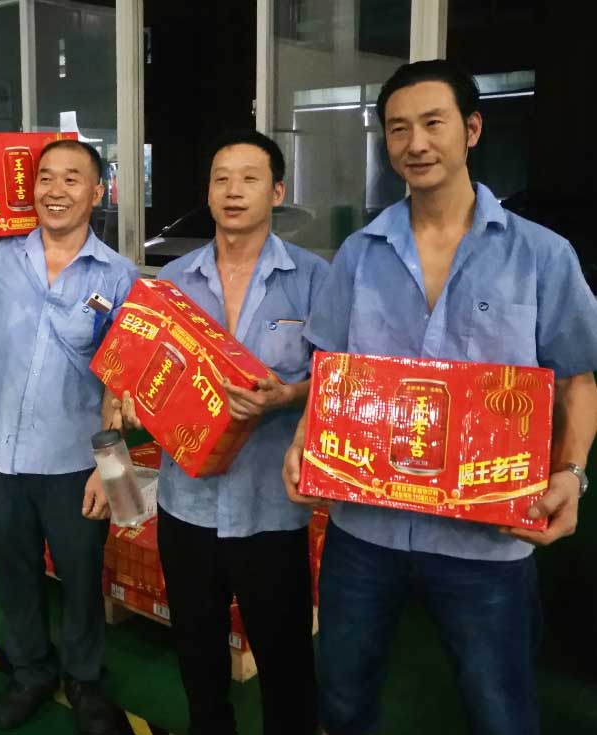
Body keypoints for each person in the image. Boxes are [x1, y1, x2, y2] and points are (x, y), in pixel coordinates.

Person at [282, 60, 597, 735]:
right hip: (365, 533)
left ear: (472, 129)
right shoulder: (359, 254)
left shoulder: (542, 255)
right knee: (344, 697)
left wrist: (571, 474)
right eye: (399, 129)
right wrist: (306, 440)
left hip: (488, 540)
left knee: (500, 711)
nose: (416, 143)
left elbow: (576, 378)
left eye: (433, 123)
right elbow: (331, 366)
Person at [0, 139, 137, 735]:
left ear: (97, 191)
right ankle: (31, 671)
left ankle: (85, 680)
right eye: (45, 178)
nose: (55, 191)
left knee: (81, 576)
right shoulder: (1, 254)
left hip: (72, 463)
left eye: (72, 179)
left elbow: (119, 379)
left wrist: (108, 468)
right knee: (14, 570)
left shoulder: (117, 276)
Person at [115, 131, 326, 735]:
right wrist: (132, 400)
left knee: (285, 657)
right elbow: (139, 370)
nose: (234, 191)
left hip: (271, 508)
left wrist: (287, 396)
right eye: (221, 179)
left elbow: (336, 379)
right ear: (208, 193)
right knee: (198, 650)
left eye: (250, 178)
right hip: (188, 504)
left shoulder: (313, 278)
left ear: (277, 191)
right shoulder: (172, 280)